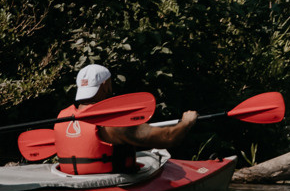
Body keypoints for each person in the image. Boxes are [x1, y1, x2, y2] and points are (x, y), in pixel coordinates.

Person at [55, 64, 200, 175]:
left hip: (73, 185)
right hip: (110, 190)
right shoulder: (112, 123)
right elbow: (168, 138)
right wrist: (187, 122)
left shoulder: (63, 117)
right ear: (105, 85)